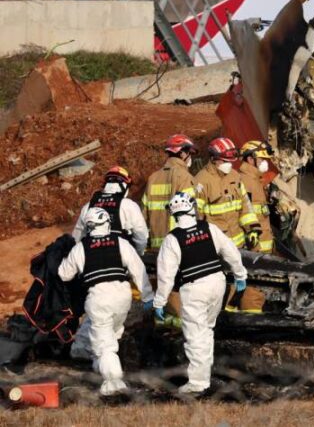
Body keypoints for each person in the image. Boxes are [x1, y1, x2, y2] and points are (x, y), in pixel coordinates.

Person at [152, 191, 247, 395]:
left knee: (196, 335)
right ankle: (206, 371)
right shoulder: (209, 228)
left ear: (173, 214)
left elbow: (166, 276)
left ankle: (198, 382)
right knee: (207, 329)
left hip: (194, 288)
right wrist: (240, 275)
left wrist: (159, 302)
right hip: (217, 283)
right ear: (192, 209)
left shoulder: (172, 239)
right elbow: (231, 251)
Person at [58, 208, 153, 396]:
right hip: (122, 298)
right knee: (110, 333)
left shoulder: (81, 248)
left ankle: (114, 383)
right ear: (107, 223)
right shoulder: (120, 242)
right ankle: (97, 365)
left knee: (104, 345)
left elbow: (64, 274)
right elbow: (137, 269)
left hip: (99, 299)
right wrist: (148, 297)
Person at [194, 137, 258, 249]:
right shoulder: (201, 181)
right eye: (225, 161)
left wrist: (252, 229)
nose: (229, 164)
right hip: (217, 248)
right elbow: (196, 217)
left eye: (230, 161)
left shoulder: (235, 176)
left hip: (239, 246)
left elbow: (246, 206)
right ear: (214, 159)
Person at [143, 134, 200, 253]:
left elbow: (144, 214)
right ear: (183, 154)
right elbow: (193, 212)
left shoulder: (152, 178)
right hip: (180, 244)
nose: (190, 158)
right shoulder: (185, 177)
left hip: (156, 246)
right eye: (190, 153)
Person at [73, 166, 149, 254]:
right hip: (120, 261)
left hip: (93, 260)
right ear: (125, 186)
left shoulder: (88, 206)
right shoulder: (129, 206)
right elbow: (141, 237)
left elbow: (77, 238)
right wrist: (138, 254)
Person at [237, 140, 275, 253]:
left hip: (264, 248)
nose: (265, 163)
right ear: (250, 159)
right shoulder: (246, 181)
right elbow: (245, 215)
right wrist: (255, 247)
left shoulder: (255, 180)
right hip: (257, 251)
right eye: (262, 159)